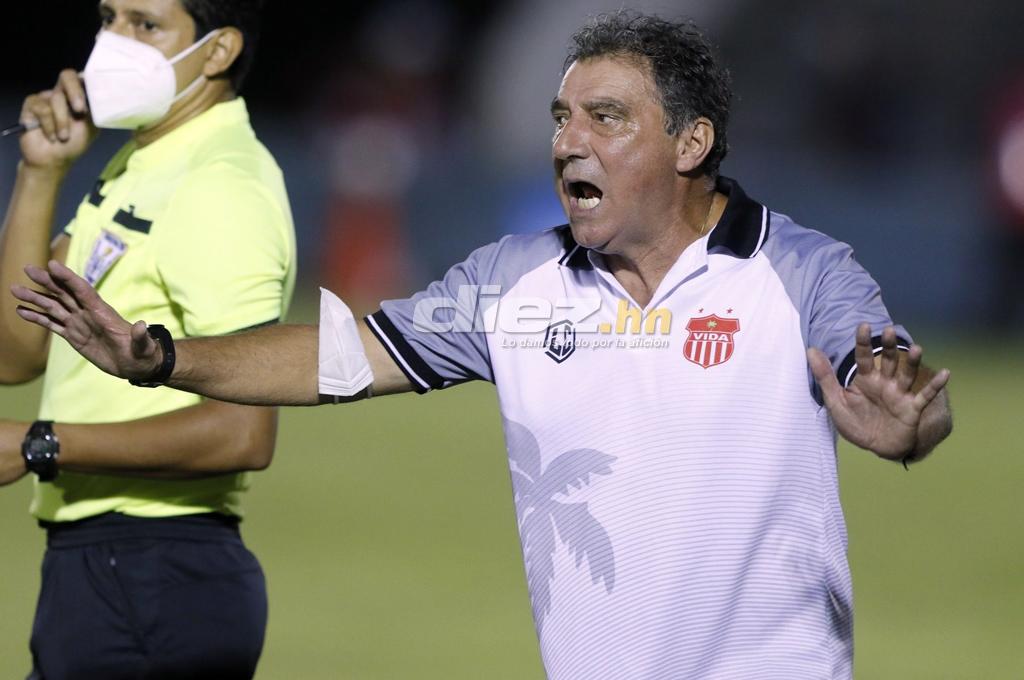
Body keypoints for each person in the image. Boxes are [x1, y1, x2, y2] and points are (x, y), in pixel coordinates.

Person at [13, 11, 951, 680]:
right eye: (560, 118)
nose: (568, 144)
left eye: (606, 119)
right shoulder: (514, 282)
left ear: (691, 141)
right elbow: (341, 358)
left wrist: (909, 420)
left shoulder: (799, 269)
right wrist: (162, 358)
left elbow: (890, 377)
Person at [0, 1, 295, 678]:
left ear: (217, 53)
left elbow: (242, 434)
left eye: (146, 24)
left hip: (158, 571)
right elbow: (16, 352)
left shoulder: (222, 183)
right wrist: (41, 173)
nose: (113, 41)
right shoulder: (146, 166)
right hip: (104, 567)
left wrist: (40, 444)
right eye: (109, 17)